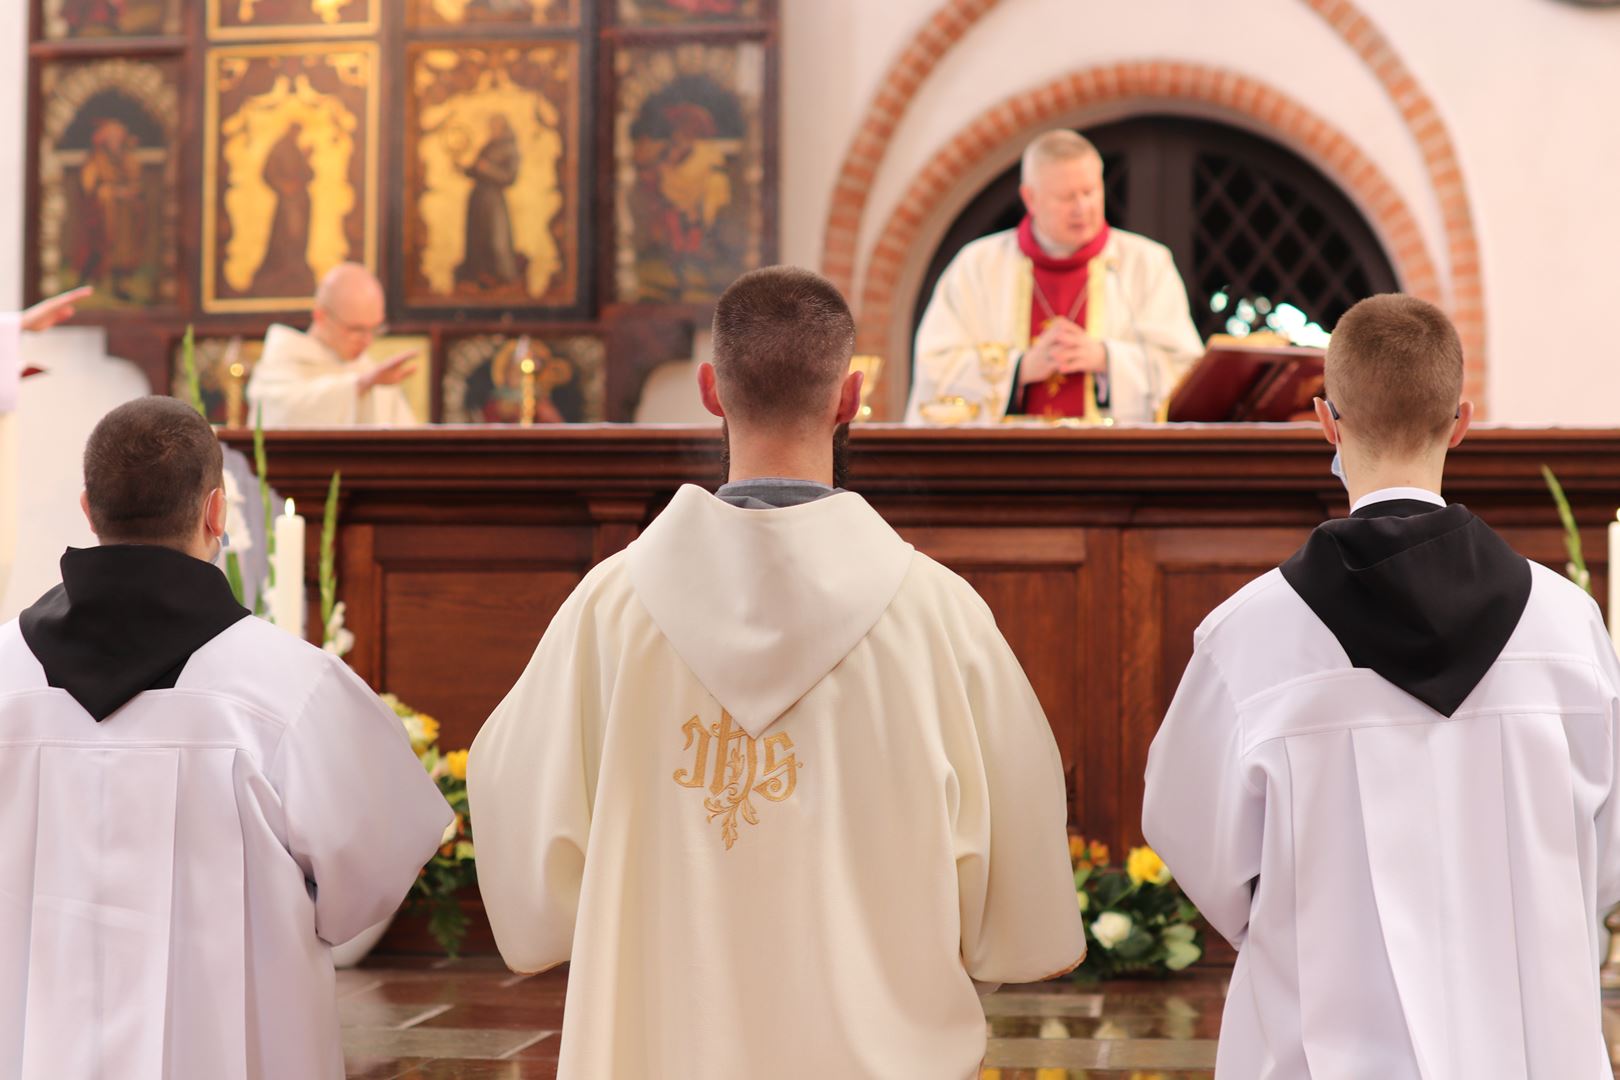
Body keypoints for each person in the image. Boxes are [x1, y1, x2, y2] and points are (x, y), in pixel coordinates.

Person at [469, 266, 1084, 1079]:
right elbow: (1017, 879)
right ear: (851, 396)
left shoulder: (608, 613)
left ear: (710, 391)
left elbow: (522, 829)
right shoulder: (941, 618)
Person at [1142, 294, 1620, 1077]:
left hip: (1319, 1046)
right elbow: (1603, 856)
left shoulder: (1249, 635)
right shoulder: (1569, 629)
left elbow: (1191, 834)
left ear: (1327, 422)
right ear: (1460, 421)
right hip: (1532, 1044)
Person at [0, 396, 451, 1077]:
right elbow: (372, 876)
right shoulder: (289, 686)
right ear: (216, 511)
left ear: (88, 510)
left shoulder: (4, 674)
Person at [907, 129, 1203, 424]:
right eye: (1066, 197)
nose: (1082, 208)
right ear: (1030, 198)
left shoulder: (1146, 264)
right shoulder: (977, 266)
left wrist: (1105, 358)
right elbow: (935, 369)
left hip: (1110, 458)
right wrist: (1019, 368)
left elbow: (1187, 373)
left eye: (1090, 192)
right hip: (1005, 460)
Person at [247, 262, 419, 426]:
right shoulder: (283, 361)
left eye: (374, 329)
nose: (368, 341)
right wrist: (359, 386)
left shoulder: (368, 369)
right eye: (356, 330)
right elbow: (282, 415)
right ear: (320, 316)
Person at [456, 113, 522, 290]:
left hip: (494, 201)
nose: (492, 130)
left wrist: (488, 169)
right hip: (479, 199)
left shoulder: (510, 149)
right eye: (491, 126)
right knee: (477, 239)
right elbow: (476, 169)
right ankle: (479, 275)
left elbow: (509, 177)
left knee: (497, 239)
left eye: (496, 126)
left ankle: (503, 277)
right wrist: (463, 167)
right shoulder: (487, 146)